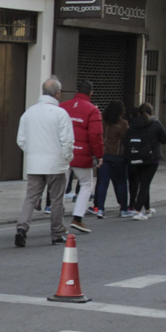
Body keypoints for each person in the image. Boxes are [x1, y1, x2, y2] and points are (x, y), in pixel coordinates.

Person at [15, 77, 74, 247]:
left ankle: (21, 228)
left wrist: (32, 152)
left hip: (34, 163)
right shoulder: (61, 114)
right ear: (57, 93)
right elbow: (67, 141)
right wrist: (66, 158)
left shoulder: (29, 113)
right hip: (55, 163)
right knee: (56, 199)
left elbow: (21, 140)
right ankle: (57, 232)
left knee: (31, 198)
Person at [61, 80, 103, 233]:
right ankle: (77, 218)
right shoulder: (92, 110)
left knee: (60, 186)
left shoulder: (63, 106)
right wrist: (99, 155)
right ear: (91, 93)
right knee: (86, 184)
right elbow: (95, 135)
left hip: (62, 154)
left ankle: (57, 220)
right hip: (81, 154)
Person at [126, 102, 166, 221]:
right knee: (145, 184)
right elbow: (165, 139)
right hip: (152, 158)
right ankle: (138, 210)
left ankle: (148, 209)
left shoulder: (133, 124)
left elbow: (126, 139)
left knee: (143, 183)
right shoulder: (156, 123)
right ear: (151, 112)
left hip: (136, 157)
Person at [94, 100, 131, 219]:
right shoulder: (123, 123)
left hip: (104, 156)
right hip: (118, 156)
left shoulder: (102, 122)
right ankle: (123, 209)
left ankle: (99, 209)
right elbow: (126, 139)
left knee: (102, 183)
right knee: (120, 183)